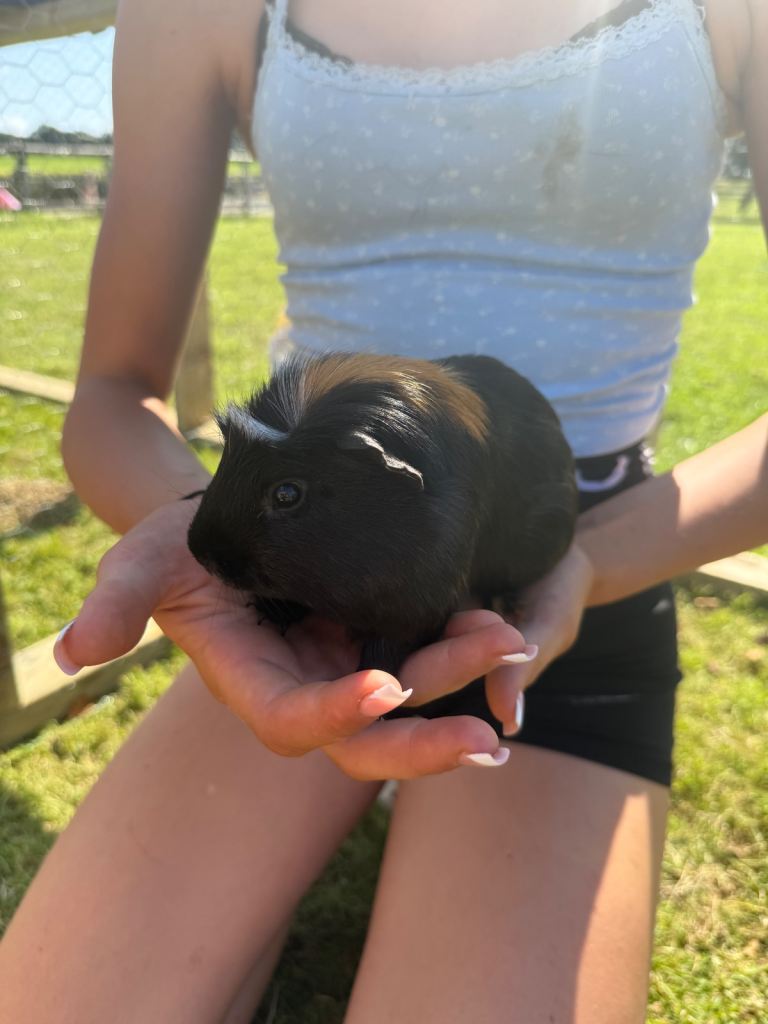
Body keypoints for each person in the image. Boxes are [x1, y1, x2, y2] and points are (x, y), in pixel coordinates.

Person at [0, 0, 766, 1020]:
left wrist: (583, 565)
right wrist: (206, 552)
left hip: (578, 591)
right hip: (296, 604)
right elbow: (112, 392)